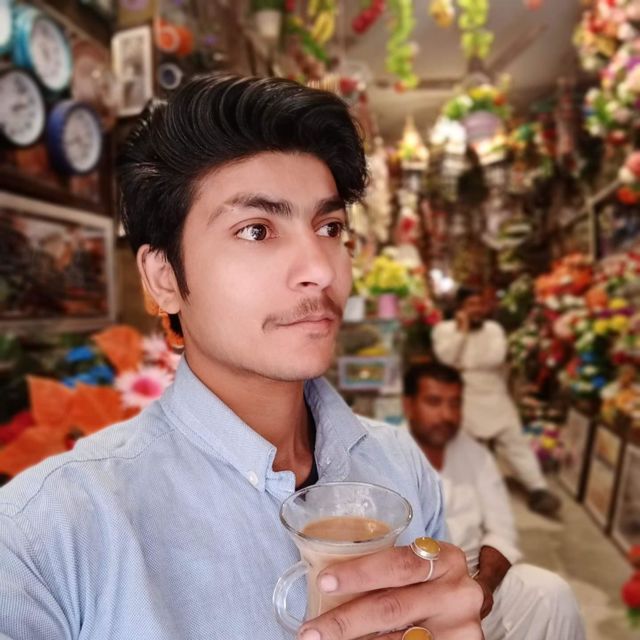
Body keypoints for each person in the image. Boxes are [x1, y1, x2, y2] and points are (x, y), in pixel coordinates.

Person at [0, 74, 483, 640]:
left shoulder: (399, 467)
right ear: (164, 278)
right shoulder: (48, 534)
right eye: (256, 230)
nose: (320, 268)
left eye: (329, 227)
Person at [403, 362, 586, 640]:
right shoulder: (386, 453)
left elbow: (500, 531)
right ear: (408, 405)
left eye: (455, 404)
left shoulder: (475, 455)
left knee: (550, 593)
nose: (447, 415)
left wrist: (483, 586)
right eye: (434, 402)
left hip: (474, 583)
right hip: (407, 595)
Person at [432, 286, 561, 516]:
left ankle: (538, 488)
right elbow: (445, 358)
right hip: (462, 396)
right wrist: (462, 333)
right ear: (460, 308)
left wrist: (462, 363)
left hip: (493, 393)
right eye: (470, 305)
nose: (476, 310)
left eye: (479, 305)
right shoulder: (444, 330)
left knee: (515, 442)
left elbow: (494, 358)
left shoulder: (493, 329)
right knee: (461, 448)